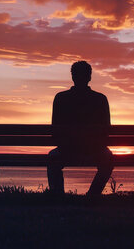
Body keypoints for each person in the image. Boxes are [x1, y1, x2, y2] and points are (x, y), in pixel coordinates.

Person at [47, 61, 113, 196]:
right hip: (95, 149)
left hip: (67, 149)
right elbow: (107, 130)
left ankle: (58, 195)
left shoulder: (61, 98)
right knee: (109, 158)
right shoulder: (100, 99)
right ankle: (93, 195)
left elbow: (55, 129)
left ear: (72, 77)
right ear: (90, 77)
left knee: (52, 158)